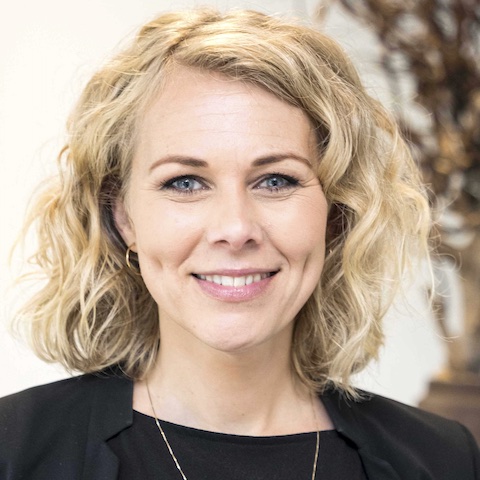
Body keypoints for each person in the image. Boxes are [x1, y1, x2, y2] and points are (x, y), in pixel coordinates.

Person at [0, 7, 478, 480]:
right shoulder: (14, 450)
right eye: (185, 182)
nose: (235, 227)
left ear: (335, 212)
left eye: (275, 179)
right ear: (123, 216)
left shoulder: (443, 459)